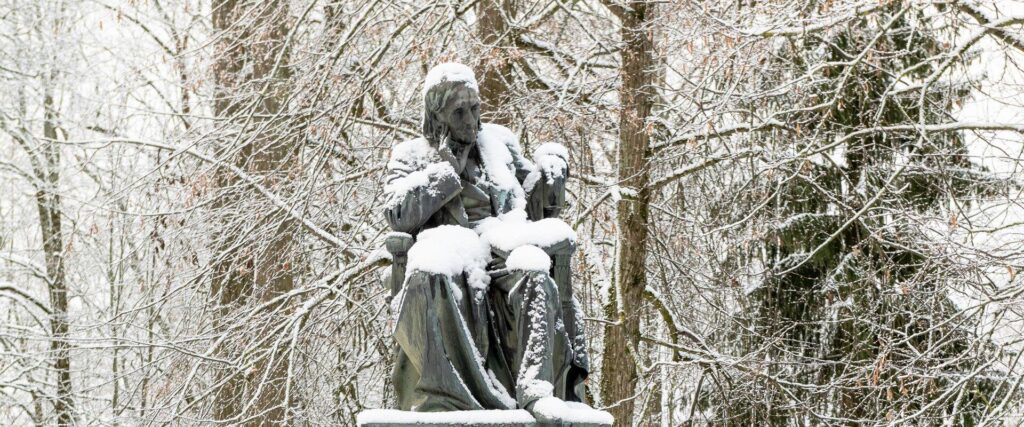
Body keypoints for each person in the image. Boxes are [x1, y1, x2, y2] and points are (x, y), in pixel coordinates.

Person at [383, 63, 589, 420]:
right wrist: (447, 170)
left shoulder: (499, 143)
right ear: (437, 116)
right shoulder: (412, 155)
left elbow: (535, 193)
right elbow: (397, 212)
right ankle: (448, 396)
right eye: (458, 112)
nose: (470, 119)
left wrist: (552, 164)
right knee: (434, 272)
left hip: (506, 245)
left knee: (535, 271)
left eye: (475, 108)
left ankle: (535, 391)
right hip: (458, 254)